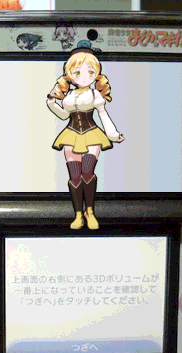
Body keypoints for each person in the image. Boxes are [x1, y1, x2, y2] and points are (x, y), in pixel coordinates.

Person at [47, 47, 124, 230]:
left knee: (87, 172)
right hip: (71, 135)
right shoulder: (69, 95)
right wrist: (51, 102)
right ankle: (78, 214)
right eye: (77, 73)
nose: (84, 77)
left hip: (91, 135)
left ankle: (90, 211)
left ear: (96, 74)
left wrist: (113, 134)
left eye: (90, 72)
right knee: (74, 176)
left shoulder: (95, 94)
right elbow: (64, 115)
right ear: (69, 74)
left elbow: (103, 115)